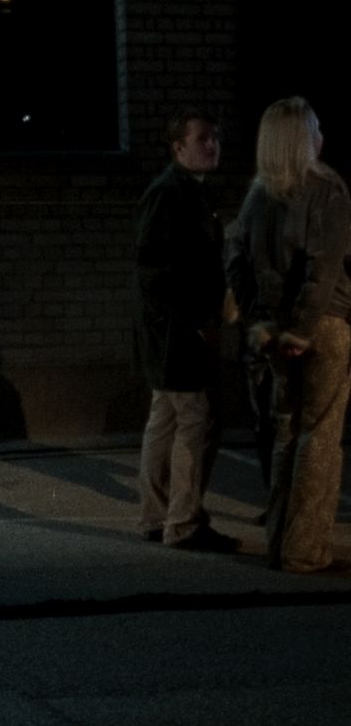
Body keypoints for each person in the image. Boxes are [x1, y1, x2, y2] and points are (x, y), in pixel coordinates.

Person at [226, 97, 351, 574]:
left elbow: (235, 259)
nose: (322, 136)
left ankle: (280, 544)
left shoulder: (258, 194)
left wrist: (261, 321)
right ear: (303, 137)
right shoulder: (328, 189)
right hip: (323, 327)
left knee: (285, 435)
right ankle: (305, 550)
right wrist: (302, 327)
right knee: (319, 438)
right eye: (316, 127)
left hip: (275, 331)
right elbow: (325, 266)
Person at [133, 109, 240, 552]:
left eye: (215, 138)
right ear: (177, 147)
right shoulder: (171, 194)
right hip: (179, 333)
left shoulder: (187, 192)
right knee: (194, 422)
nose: (211, 146)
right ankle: (183, 523)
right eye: (202, 139)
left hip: (171, 332)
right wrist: (198, 322)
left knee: (166, 422)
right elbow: (156, 269)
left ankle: (157, 518)